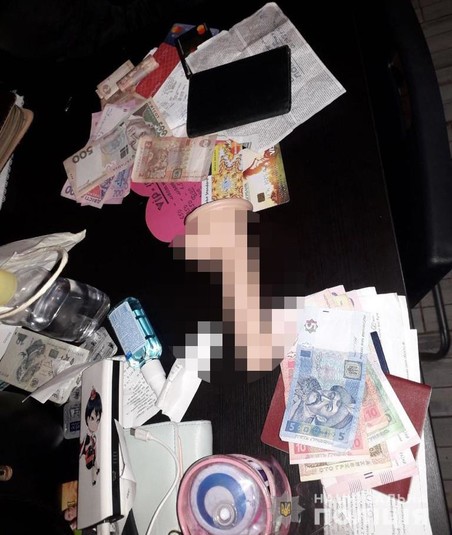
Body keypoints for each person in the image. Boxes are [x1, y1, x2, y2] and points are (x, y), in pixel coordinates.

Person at [289, 376, 356, 429]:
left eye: (328, 406)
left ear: (320, 418)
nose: (323, 397)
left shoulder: (298, 424)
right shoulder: (307, 381)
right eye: (330, 395)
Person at [79, 387, 102, 486]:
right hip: (89, 453)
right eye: (92, 418)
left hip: (93, 453)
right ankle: (94, 480)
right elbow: (82, 447)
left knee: (95, 464)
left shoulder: (94, 437)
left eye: (98, 420)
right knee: (93, 465)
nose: (95, 425)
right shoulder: (86, 436)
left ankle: (95, 478)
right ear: (87, 418)